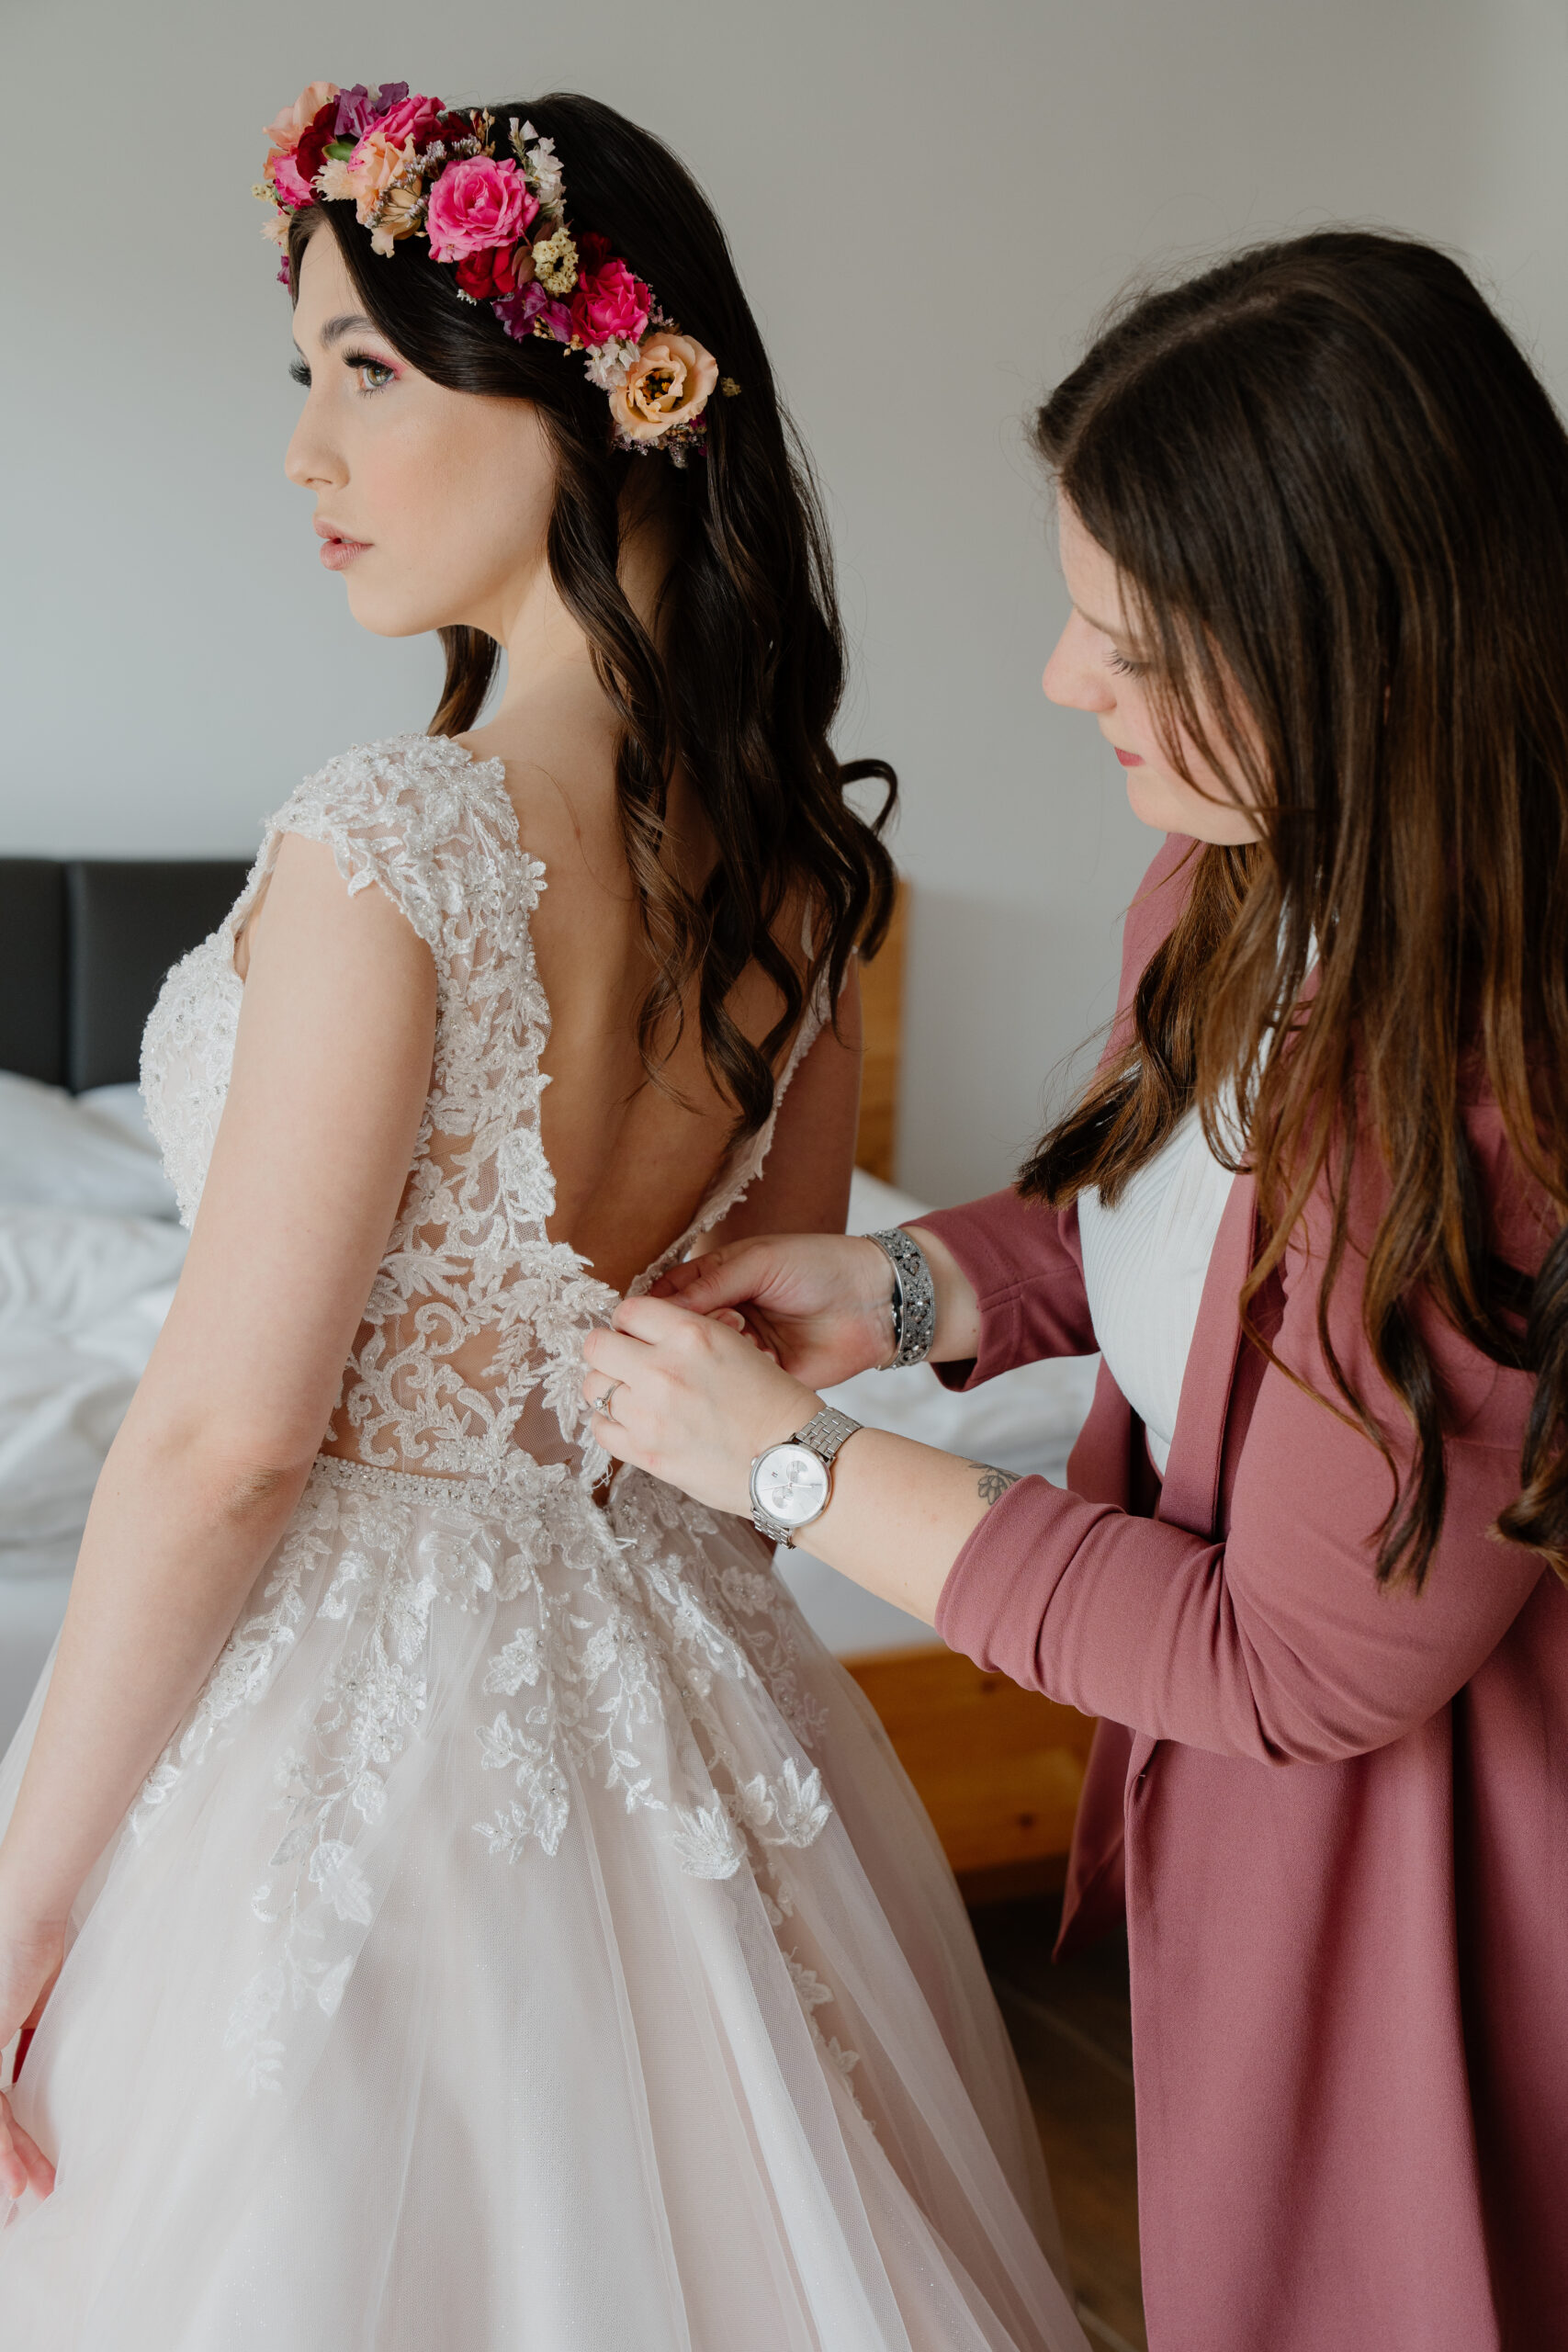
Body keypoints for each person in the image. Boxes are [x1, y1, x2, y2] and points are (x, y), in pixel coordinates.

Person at [0, 83, 1092, 2352]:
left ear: (592, 395)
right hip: (687, 1686)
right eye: (298, 377)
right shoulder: (800, 877)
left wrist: (18, 1909)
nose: (303, 454)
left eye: (366, 373)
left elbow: (223, 1439)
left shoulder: (385, 837)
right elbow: (743, 1356)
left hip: (343, 1715)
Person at [583, 232, 1568, 2352]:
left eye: (1130, 636)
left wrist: (794, 1475)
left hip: (1418, 1878)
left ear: (1352, 656)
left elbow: (1295, 1657)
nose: (1056, 678)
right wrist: (907, 1280)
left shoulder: (1476, 1085)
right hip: (1243, 1824)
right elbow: (1181, 1242)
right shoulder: (1228, 881)